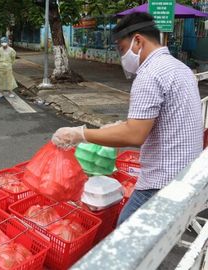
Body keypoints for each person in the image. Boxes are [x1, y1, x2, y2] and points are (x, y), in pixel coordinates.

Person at [51, 12, 203, 225]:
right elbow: (159, 120)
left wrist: (80, 134)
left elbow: (134, 134)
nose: (122, 57)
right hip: (189, 175)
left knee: (127, 233)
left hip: (163, 181)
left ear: (138, 40)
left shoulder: (150, 74)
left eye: (122, 49)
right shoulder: (181, 68)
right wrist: (115, 127)